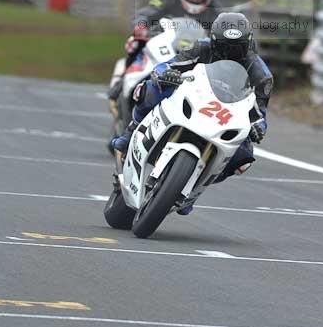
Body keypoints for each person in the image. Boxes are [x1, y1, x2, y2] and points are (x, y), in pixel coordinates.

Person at [113, 12, 273, 213]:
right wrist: (165, 74)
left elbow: (260, 112)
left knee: (244, 156)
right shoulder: (201, 47)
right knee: (150, 88)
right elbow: (168, 64)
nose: (230, 52)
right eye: (224, 46)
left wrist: (259, 127)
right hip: (194, 95)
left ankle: (194, 188)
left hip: (226, 112)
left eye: (237, 47)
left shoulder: (261, 74)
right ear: (214, 41)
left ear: (248, 44)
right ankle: (131, 132)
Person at [108, 0, 221, 105]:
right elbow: (148, 11)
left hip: (194, 48)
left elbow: (220, 29)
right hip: (162, 37)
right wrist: (141, 25)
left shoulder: (214, 9)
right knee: (135, 43)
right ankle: (120, 84)